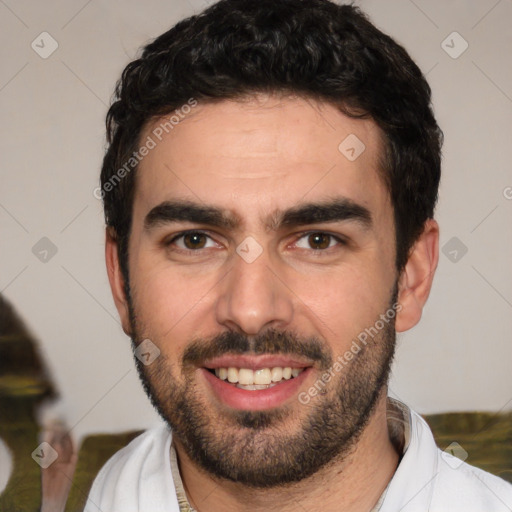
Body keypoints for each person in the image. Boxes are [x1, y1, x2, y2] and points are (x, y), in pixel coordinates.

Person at [84, 0, 512, 510]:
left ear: (411, 276)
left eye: (317, 240)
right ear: (119, 278)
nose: (249, 309)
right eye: (194, 240)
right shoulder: (88, 489)